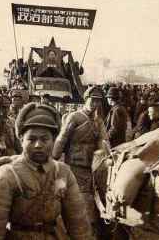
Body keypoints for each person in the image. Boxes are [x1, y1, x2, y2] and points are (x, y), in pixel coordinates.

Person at [0, 102, 88, 239]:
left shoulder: (62, 173)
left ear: (53, 140)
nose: (38, 145)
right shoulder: (8, 175)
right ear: (22, 140)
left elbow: (78, 221)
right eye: (31, 139)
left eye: (45, 139)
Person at [52, 86, 109, 239]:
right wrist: (53, 159)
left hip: (93, 167)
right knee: (76, 197)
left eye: (98, 101)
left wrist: (105, 153)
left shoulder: (98, 121)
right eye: (93, 100)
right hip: (75, 165)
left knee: (94, 198)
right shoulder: (75, 117)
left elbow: (103, 140)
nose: (95, 103)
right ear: (86, 99)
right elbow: (62, 139)